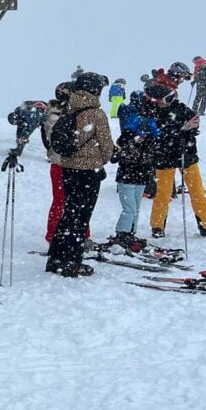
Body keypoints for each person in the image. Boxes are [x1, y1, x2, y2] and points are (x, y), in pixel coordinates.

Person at [45, 72, 115, 277]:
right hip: (87, 172)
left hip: (67, 168)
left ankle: (55, 258)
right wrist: (100, 160)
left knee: (68, 214)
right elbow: (107, 146)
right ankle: (72, 262)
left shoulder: (68, 107)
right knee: (80, 218)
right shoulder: (95, 112)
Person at [146, 84, 206, 239]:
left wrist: (192, 125)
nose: (172, 100)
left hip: (187, 156)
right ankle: (157, 226)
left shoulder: (180, 108)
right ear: (158, 101)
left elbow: (192, 124)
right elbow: (159, 136)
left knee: (198, 192)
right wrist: (182, 128)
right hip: (164, 159)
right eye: (168, 98)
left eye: (173, 96)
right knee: (163, 195)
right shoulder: (152, 113)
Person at [40, 81, 89, 246]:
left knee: (80, 199)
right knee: (61, 200)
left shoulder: (75, 113)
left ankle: (82, 234)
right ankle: (54, 234)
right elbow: (63, 139)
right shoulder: (56, 115)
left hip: (77, 163)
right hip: (61, 163)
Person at [111, 96, 160, 248]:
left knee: (134, 207)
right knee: (131, 208)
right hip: (132, 173)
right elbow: (121, 144)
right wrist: (134, 141)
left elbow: (121, 143)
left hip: (134, 173)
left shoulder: (141, 124)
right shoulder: (141, 125)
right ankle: (124, 233)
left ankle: (127, 232)